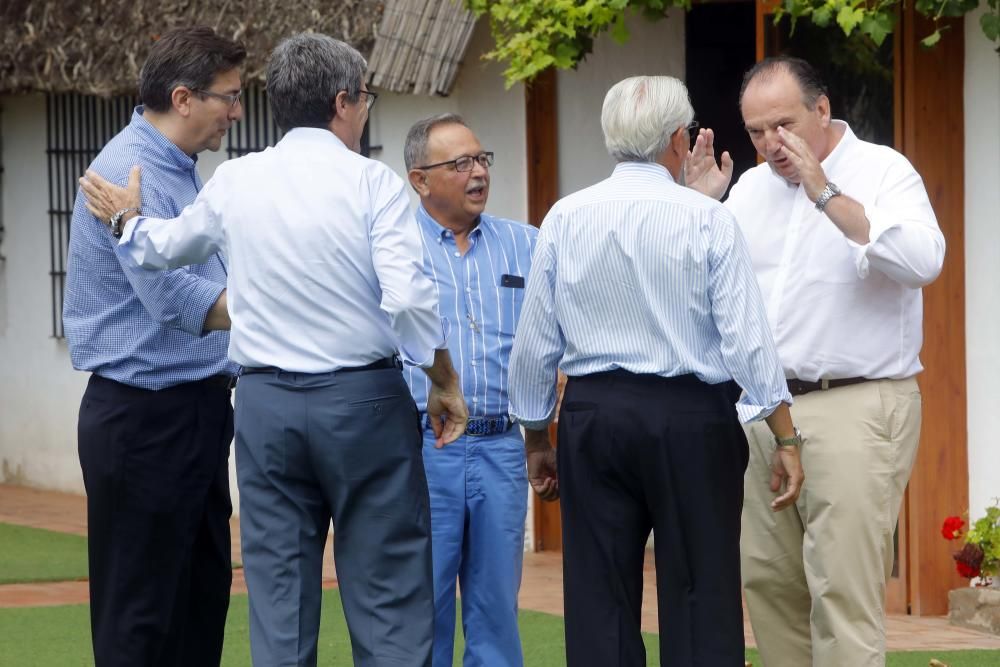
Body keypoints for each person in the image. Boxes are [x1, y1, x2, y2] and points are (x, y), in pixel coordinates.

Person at [78, 34, 469, 667]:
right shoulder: (373, 182)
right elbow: (408, 301)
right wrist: (444, 379)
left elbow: (165, 248)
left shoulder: (237, 178)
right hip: (362, 402)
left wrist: (126, 222)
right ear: (343, 102)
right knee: (390, 598)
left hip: (264, 406)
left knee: (280, 603)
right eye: (364, 97)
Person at [507, 75, 804, 667]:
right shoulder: (707, 219)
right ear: (677, 137)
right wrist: (785, 433)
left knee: (598, 595)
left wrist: (537, 436)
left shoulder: (565, 217)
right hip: (691, 418)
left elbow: (535, 343)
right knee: (701, 590)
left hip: (594, 415)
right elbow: (746, 339)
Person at [686, 56, 945, 666]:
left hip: (854, 403)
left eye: (783, 124)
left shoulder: (884, 170)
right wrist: (695, 210)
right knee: (771, 588)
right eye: (754, 132)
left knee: (842, 593)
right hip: (763, 412)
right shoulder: (748, 190)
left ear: (822, 109)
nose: (770, 144)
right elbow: (699, 296)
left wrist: (824, 192)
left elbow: (923, 262)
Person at [62, 26, 245, 667]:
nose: (237, 111)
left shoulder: (181, 172)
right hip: (143, 417)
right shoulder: (127, 170)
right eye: (230, 96)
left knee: (199, 602)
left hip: (191, 408)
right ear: (184, 97)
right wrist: (290, 313)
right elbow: (175, 303)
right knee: (140, 618)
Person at [401, 113, 545, 667]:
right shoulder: (394, 250)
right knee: (424, 605)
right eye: (460, 163)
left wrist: (538, 436)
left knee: (495, 608)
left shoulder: (525, 244)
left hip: (500, 448)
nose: (478, 172)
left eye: (482, 159)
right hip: (422, 448)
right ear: (420, 179)